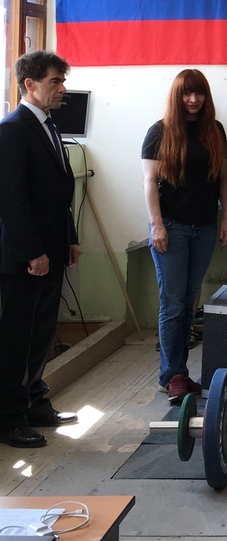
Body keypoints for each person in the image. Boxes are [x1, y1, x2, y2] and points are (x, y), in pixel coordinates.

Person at [0, 50, 80, 448]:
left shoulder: (48, 124)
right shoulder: (13, 130)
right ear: (30, 84)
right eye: (55, 81)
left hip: (53, 249)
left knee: (42, 333)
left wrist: (71, 238)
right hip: (24, 257)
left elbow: (60, 191)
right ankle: (9, 418)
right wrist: (33, 253)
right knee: (18, 338)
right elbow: (13, 200)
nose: (62, 89)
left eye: (62, 81)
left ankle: (34, 402)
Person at [142, 69, 227, 405]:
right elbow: (149, 182)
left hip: (205, 227)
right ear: (177, 96)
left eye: (199, 93)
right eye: (187, 94)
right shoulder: (159, 131)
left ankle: (176, 373)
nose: (193, 100)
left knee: (189, 301)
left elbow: (223, 177)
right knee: (173, 303)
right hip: (171, 227)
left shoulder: (215, 130)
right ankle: (173, 375)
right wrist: (156, 225)